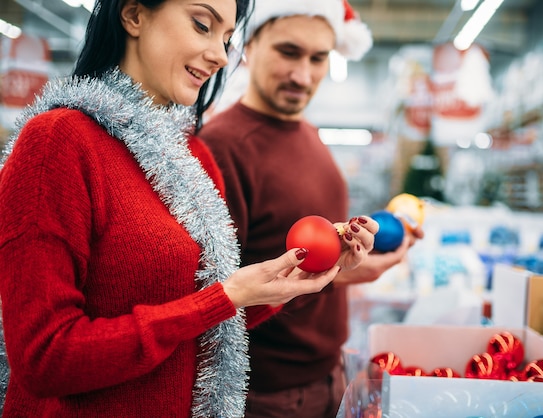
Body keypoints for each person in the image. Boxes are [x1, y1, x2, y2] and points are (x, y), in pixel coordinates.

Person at [0, 0, 379, 416]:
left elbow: (208, 324)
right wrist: (221, 298)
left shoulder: (192, 154)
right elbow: (44, 358)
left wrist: (297, 277)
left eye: (227, 38)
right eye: (202, 25)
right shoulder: (57, 142)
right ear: (134, 15)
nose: (220, 54)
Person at [197, 1, 423, 417]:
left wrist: (353, 253)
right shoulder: (224, 147)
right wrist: (338, 278)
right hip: (266, 390)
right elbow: (212, 294)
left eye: (318, 58)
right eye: (288, 52)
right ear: (250, 44)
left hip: (326, 372)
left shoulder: (305, 132)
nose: (303, 75)